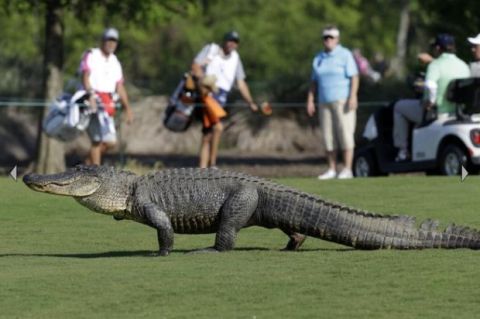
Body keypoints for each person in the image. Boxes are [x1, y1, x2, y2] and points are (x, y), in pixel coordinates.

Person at [393, 34, 470, 161]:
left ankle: (403, 151)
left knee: (399, 107)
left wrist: (430, 101)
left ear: (438, 48)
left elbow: (430, 85)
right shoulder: (463, 66)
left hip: (438, 112)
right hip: (458, 112)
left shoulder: (435, 66)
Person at [191, 31, 258, 168]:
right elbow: (195, 66)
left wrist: (251, 102)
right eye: (230, 40)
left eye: (235, 41)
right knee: (218, 127)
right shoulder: (211, 50)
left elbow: (241, 83)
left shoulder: (235, 59)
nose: (232, 43)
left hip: (221, 100)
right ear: (224, 41)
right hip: (207, 96)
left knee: (207, 135)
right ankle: (212, 165)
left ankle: (202, 170)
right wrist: (204, 80)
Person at [306, 25, 359, 179]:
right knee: (328, 136)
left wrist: (353, 96)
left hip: (342, 101)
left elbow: (354, 77)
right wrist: (310, 100)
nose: (328, 40)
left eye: (331, 37)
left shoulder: (345, 54)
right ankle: (332, 169)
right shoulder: (318, 58)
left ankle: (348, 169)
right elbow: (313, 81)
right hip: (324, 102)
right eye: (325, 37)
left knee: (345, 134)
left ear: (337, 39)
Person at [79, 27, 133, 165]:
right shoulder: (92, 54)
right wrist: (90, 95)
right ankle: (95, 175)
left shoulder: (115, 61)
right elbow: (85, 77)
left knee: (111, 142)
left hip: (108, 105)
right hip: (92, 102)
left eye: (114, 41)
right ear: (103, 40)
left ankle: (87, 164)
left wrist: (128, 109)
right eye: (109, 39)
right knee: (96, 140)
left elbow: (119, 86)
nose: (111, 43)